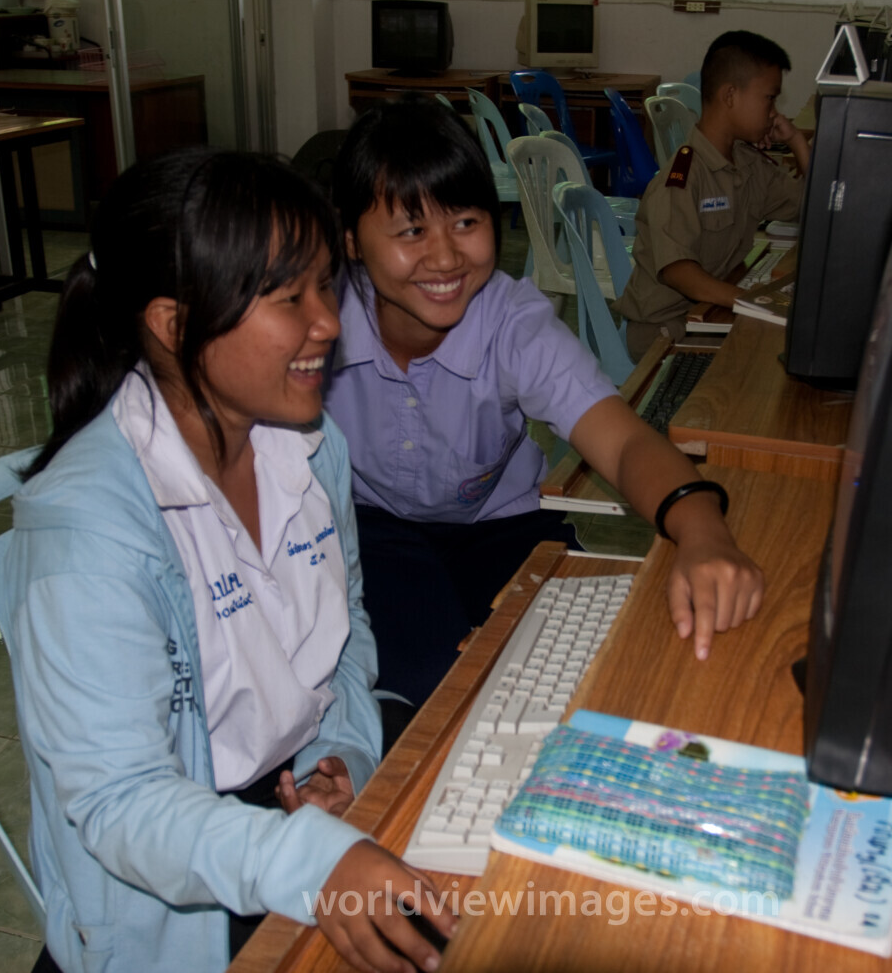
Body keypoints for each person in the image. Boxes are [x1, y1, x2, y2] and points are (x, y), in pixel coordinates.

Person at [5, 148, 455, 973]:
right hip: (179, 894)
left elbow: (345, 630)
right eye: (290, 298)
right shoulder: (88, 531)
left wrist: (344, 758)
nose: (329, 322)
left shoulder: (310, 449)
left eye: (326, 285)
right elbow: (121, 805)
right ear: (173, 325)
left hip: (289, 807)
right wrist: (315, 864)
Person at [322, 95, 766, 709]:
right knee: (427, 690)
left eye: (467, 222)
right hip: (370, 530)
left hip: (501, 527)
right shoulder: (315, 326)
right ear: (350, 240)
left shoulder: (512, 322)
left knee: (590, 661)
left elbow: (626, 440)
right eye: (411, 231)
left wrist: (702, 530)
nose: (446, 256)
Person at [614, 30, 812, 360]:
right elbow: (679, 272)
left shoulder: (747, 164)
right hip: (664, 332)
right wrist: (751, 301)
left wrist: (796, 142)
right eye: (769, 98)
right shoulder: (681, 177)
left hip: (708, 315)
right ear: (730, 96)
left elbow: (813, 207)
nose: (774, 112)